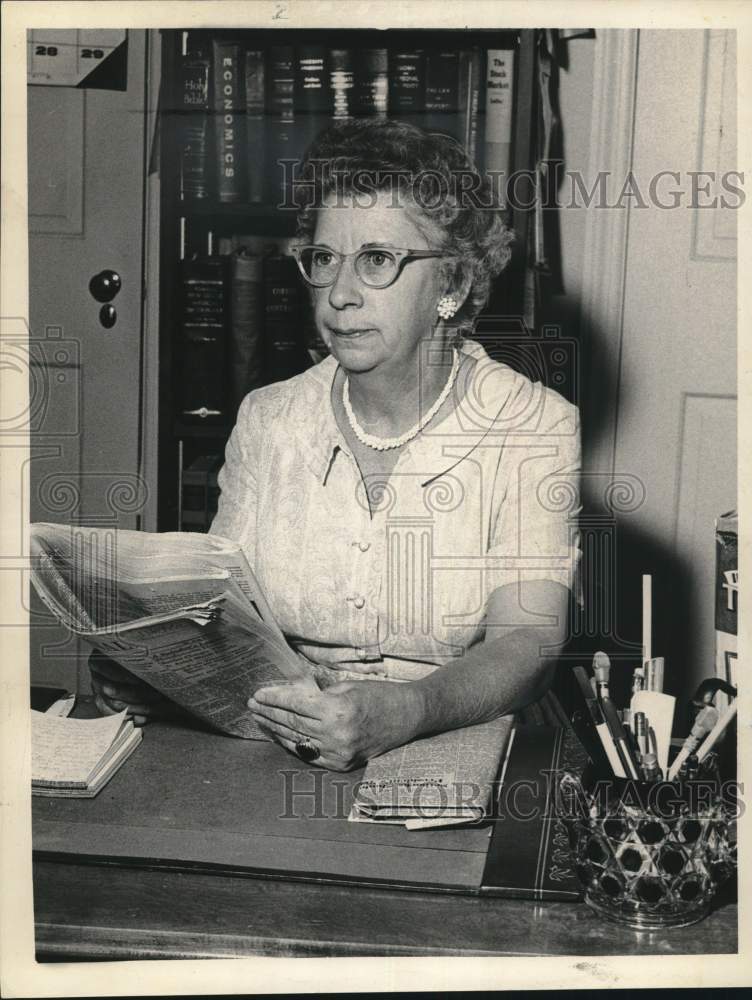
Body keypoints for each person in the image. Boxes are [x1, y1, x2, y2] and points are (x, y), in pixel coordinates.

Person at [91, 118, 581, 771]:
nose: (340, 295)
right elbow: (225, 622)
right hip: (277, 752)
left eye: (377, 260)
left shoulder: (531, 425)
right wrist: (154, 670)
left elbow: (527, 643)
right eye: (324, 259)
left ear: (453, 286)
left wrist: (406, 711)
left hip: (460, 748)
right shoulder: (268, 420)